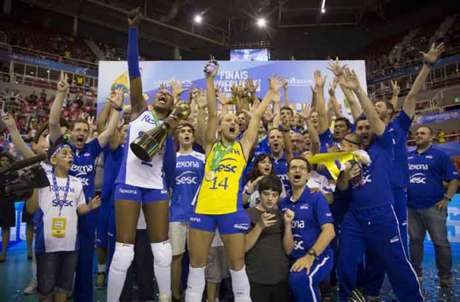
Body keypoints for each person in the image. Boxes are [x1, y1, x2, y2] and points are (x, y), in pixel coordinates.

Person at [185, 62, 283, 302]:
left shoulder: (243, 147)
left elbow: (257, 115)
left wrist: (271, 92)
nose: (232, 123)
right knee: (197, 267)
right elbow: (211, 109)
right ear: (219, 127)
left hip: (231, 211)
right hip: (204, 210)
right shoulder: (210, 145)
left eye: (235, 122)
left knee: (237, 266)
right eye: (226, 120)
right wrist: (209, 80)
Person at [107, 9, 176, 302]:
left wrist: (170, 184)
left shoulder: (170, 127)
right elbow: (133, 70)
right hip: (129, 183)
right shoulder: (139, 110)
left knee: (162, 249)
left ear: (172, 105)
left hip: (155, 187)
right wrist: (133, 31)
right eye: (160, 91)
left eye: (168, 95)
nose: (162, 93)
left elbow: (169, 166)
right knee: (124, 252)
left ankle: (165, 297)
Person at [336, 68, 423, 302]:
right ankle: (348, 296)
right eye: (360, 128)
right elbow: (343, 189)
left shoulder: (385, 145)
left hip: (382, 213)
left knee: (396, 263)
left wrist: (356, 89)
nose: (364, 130)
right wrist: (346, 175)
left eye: (367, 127)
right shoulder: (354, 154)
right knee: (346, 262)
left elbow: (372, 118)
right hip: (354, 216)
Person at [48, 74, 122, 302]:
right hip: (63, 211)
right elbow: (52, 123)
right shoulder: (62, 150)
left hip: (88, 212)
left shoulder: (91, 149)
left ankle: (83, 297)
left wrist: (117, 108)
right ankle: (57, 293)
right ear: (70, 133)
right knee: (59, 258)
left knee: (85, 259)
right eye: (77, 130)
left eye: (84, 130)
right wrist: (61, 94)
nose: (81, 133)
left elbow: (109, 133)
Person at [26, 141, 101, 302]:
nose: (70, 157)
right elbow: (31, 209)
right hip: (47, 245)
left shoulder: (76, 182)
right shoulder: (43, 180)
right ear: (53, 160)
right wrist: (34, 187)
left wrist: (90, 206)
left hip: (70, 245)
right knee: (46, 292)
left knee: (63, 290)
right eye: (65, 154)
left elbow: (79, 209)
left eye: (71, 154)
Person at [407, 126, 458, 287]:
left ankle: (445, 277)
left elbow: (454, 180)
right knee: (415, 242)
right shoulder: (407, 157)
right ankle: (416, 273)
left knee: (440, 242)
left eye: (423, 133)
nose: (418, 135)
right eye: (417, 133)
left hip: (434, 207)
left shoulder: (440, 156)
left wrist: (447, 198)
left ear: (431, 137)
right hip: (411, 208)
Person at [280, 157, 335, 302]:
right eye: (293, 168)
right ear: (287, 174)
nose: (297, 170)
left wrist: (309, 256)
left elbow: (330, 231)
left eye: (302, 168)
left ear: (308, 176)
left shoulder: (316, 198)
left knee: (300, 279)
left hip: (318, 255)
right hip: (293, 257)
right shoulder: (283, 203)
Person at [170, 121, 205, 301]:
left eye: (189, 131)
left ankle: (193, 295)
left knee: (196, 259)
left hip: (197, 216)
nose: (186, 134)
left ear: (193, 135)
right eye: (182, 131)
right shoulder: (172, 158)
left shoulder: (202, 158)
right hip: (175, 214)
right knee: (176, 257)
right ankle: (175, 295)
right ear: (178, 136)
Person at [245, 175, 291, 302]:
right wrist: (259, 226)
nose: (270, 198)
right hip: (256, 278)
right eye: (266, 194)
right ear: (259, 194)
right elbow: (243, 247)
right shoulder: (248, 214)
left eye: (274, 195)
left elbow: (289, 250)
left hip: (280, 278)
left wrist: (287, 225)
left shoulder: (282, 215)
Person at [0, 152, 14, 263]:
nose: (4, 162)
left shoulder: (14, 174)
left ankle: (4, 253)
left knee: (6, 228)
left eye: (7, 160)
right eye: (2, 160)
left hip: (8, 204)